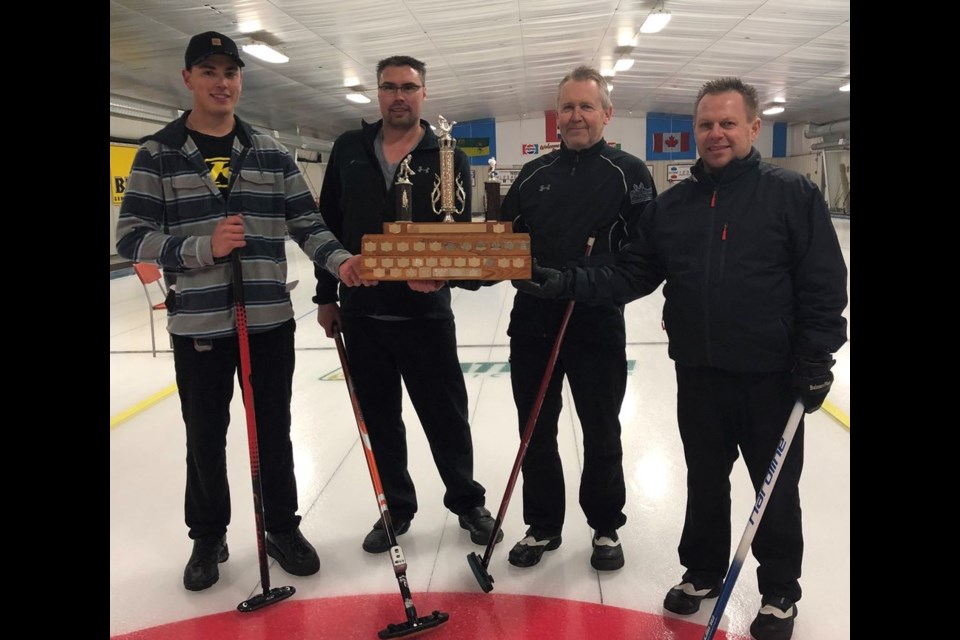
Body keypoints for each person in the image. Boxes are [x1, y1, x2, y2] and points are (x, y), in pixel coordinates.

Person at [514, 77, 848, 640]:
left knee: (775, 490)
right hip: (699, 370)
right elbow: (634, 273)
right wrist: (566, 281)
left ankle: (779, 594)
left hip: (772, 373)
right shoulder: (676, 205)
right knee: (705, 481)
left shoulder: (790, 195)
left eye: (728, 123)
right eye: (706, 124)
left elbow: (823, 283)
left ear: (752, 128)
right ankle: (702, 572)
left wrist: (817, 356)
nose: (716, 134)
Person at [115, 31, 372, 592]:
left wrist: (342, 262)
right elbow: (131, 238)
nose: (221, 82)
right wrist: (201, 248)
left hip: (267, 321)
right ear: (187, 79)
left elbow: (308, 223)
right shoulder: (157, 154)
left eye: (230, 72)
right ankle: (208, 537)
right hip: (200, 325)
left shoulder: (271, 152)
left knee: (274, 432)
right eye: (208, 70)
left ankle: (281, 527)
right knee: (205, 435)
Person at [312, 54, 502, 554]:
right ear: (378, 93)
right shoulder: (349, 147)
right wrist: (325, 294)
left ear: (423, 92)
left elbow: (457, 231)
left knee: (446, 415)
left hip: (426, 314)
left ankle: (467, 502)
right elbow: (327, 221)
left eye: (409, 87)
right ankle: (396, 508)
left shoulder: (447, 152)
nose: (399, 95)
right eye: (390, 87)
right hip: (362, 311)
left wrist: (446, 273)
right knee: (380, 419)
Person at [498, 66, 657, 572]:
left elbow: (641, 268)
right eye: (567, 107)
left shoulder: (629, 174)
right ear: (556, 117)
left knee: (601, 430)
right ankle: (543, 525)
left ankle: (606, 524)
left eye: (587, 106)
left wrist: (575, 282)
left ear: (607, 113)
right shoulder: (533, 174)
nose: (576, 116)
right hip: (532, 325)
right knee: (535, 432)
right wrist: (452, 272)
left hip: (596, 325)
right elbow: (502, 247)